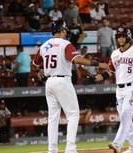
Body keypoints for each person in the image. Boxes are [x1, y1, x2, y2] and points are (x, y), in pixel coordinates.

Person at [32, 20, 107, 153]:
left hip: (49, 82)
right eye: (65, 31)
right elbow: (77, 60)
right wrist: (98, 64)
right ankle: (70, 149)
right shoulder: (65, 44)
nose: (66, 33)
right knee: (73, 114)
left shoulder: (44, 46)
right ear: (62, 31)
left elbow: (35, 64)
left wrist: (39, 71)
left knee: (53, 118)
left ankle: (52, 150)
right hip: (62, 80)